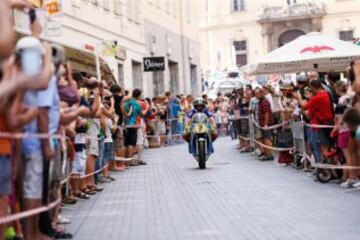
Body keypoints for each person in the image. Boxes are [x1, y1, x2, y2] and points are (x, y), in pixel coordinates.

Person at [294, 79, 334, 163]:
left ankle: (322, 167)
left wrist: (298, 97)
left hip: (320, 125)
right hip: (320, 124)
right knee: (316, 146)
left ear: (312, 87)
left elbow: (304, 107)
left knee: (320, 146)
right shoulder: (326, 94)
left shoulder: (318, 97)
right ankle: (322, 167)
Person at [123, 89, 149, 163]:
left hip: (126, 124)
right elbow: (142, 114)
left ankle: (127, 161)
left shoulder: (126, 103)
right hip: (135, 125)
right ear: (139, 95)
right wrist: (147, 107)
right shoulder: (137, 104)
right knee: (133, 143)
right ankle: (132, 160)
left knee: (126, 143)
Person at [257, 88, 274, 161]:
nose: (256, 95)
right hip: (262, 124)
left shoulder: (264, 102)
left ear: (262, 93)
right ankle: (267, 154)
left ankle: (270, 154)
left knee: (267, 139)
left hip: (266, 124)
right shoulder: (261, 101)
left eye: (257, 94)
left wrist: (265, 124)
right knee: (265, 139)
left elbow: (267, 113)